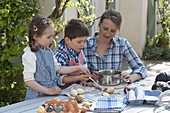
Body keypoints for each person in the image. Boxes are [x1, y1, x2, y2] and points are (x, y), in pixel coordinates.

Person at [22, 15, 91, 100]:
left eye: (52, 36)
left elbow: (59, 69)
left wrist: (79, 67)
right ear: (35, 36)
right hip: (37, 97)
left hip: (51, 95)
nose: (51, 40)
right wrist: (47, 90)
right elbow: (29, 81)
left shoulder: (48, 51)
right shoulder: (30, 54)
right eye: (48, 37)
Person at [83, 9, 147, 83]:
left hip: (115, 91)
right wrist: (89, 76)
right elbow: (74, 72)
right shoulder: (84, 44)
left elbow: (141, 68)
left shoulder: (122, 44)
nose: (107, 34)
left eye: (113, 31)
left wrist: (131, 77)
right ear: (99, 24)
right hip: (90, 91)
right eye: (105, 29)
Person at [54, 19, 95, 89]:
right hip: (62, 92)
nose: (82, 45)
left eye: (84, 41)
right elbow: (59, 79)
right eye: (79, 42)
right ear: (67, 40)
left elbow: (82, 70)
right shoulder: (61, 55)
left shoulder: (79, 52)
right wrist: (78, 78)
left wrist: (83, 80)